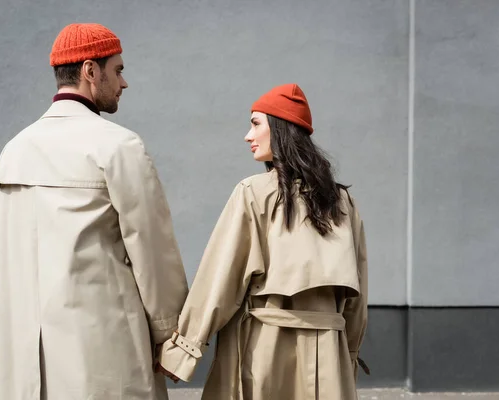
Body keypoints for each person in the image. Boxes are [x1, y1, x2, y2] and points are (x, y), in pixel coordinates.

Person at [0, 23, 188, 400]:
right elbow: (153, 252)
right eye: (118, 70)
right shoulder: (117, 146)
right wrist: (171, 337)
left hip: (26, 361)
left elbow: (0, 248)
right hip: (104, 354)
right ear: (90, 71)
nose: (123, 83)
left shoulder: (14, 150)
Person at [157, 84, 368, 400]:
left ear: (281, 129)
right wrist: (347, 357)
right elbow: (357, 297)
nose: (247, 135)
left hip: (263, 351)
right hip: (328, 354)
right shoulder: (341, 200)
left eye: (256, 123)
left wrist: (184, 349)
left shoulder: (252, 192)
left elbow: (220, 279)